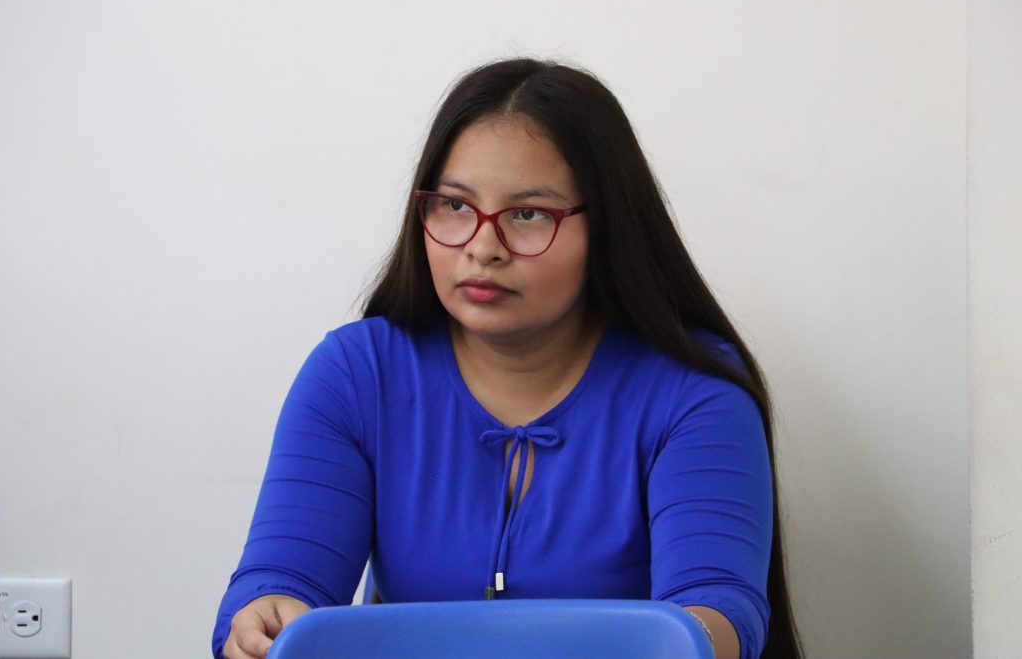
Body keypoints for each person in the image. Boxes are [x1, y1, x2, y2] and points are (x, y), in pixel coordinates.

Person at [212, 57, 803, 659]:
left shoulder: (693, 391)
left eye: (528, 214)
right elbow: (282, 582)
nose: (483, 247)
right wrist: (264, 620)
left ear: (608, 226)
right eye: (454, 206)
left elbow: (717, 610)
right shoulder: (356, 374)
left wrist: (685, 640)